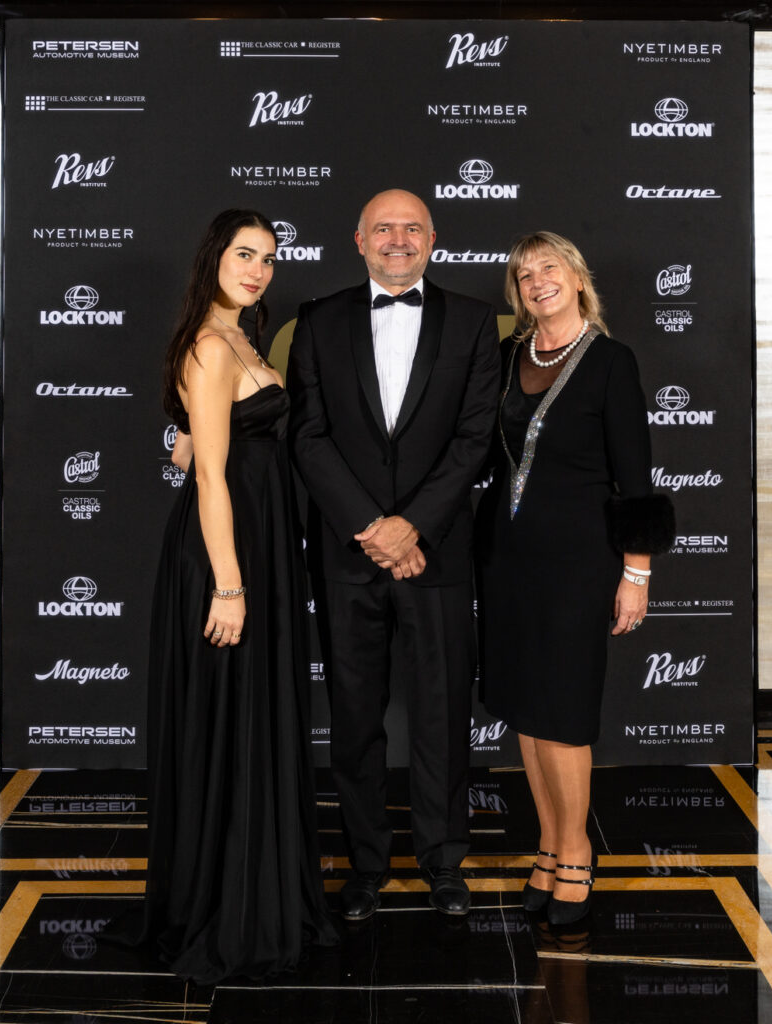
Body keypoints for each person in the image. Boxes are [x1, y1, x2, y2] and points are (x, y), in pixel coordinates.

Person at [288, 189, 501, 920]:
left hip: (436, 553)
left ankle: (443, 861)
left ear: (434, 239)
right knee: (354, 718)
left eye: (412, 228)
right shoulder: (318, 321)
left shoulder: (474, 321)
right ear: (359, 240)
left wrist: (413, 526)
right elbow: (308, 436)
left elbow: (475, 437)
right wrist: (373, 527)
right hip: (349, 555)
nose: (398, 239)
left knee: (442, 714)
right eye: (384, 228)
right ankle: (366, 863)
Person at [142, 209, 336, 983]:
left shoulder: (240, 338)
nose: (258, 270)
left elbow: (189, 451)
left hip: (259, 541)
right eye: (244, 254)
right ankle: (230, 907)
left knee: (249, 717)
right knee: (232, 720)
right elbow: (209, 477)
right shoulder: (211, 345)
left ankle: (256, 891)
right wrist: (228, 585)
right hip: (227, 554)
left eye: (268, 258)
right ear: (214, 259)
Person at [477, 232, 674, 926]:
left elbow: (637, 480)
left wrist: (636, 572)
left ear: (578, 278)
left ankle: (577, 851)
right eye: (524, 275)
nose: (537, 282)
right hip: (509, 560)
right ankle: (547, 843)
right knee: (528, 714)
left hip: (578, 565)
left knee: (562, 713)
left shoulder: (611, 362)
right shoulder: (507, 358)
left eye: (549, 268)